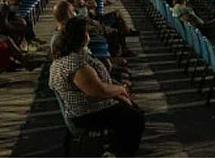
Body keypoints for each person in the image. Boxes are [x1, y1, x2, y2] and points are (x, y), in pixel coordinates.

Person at [49, 18, 144, 156]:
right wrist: (120, 90)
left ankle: (114, 147)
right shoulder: (75, 64)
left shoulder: (72, 55)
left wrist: (117, 90)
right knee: (135, 118)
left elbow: (98, 85)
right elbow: (99, 91)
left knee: (131, 110)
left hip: (88, 107)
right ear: (82, 37)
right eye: (87, 33)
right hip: (86, 113)